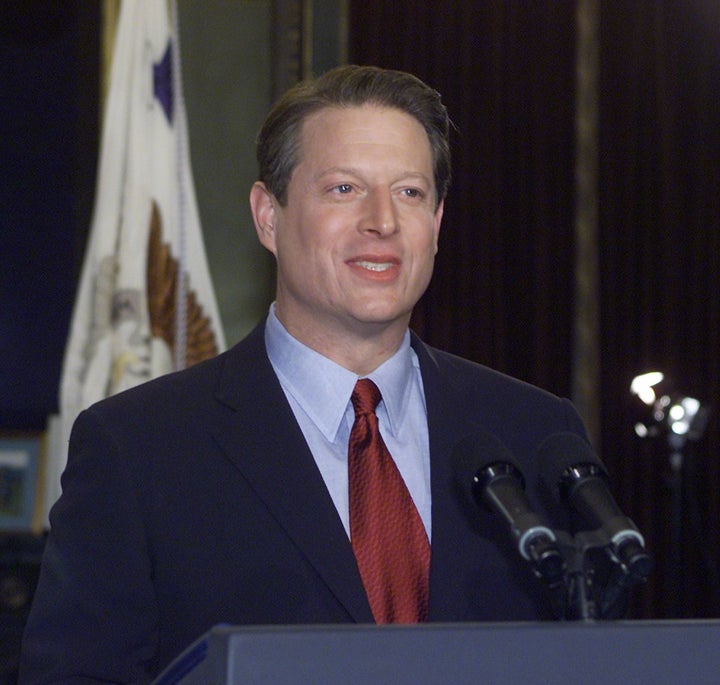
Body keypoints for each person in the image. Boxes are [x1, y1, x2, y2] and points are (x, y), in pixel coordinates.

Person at [19, 65, 589, 683]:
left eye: (410, 192)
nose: (383, 222)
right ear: (268, 216)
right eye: (344, 189)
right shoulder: (138, 447)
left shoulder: (534, 434)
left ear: (438, 223)